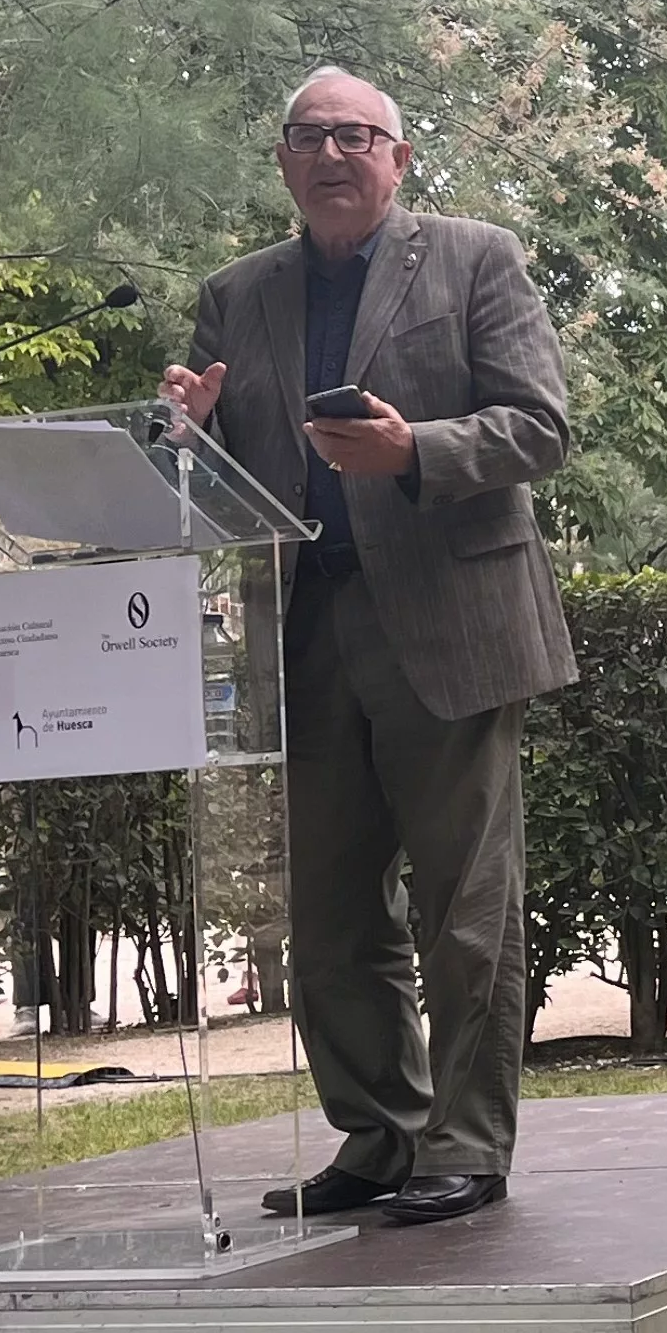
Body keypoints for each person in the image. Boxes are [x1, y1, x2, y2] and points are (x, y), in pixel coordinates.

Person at [160, 68, 576, 1225]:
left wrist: (414, 451)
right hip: (305, 632)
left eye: (356, 135)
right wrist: (185, 440)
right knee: (331, 921)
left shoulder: (476, 258)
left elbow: (541, 425)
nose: (332, 153)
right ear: (283, 162)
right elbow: (219, 492)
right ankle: (381, 1135)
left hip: (452, 620)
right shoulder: (235, 295)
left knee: (466, 908)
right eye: (310, 136)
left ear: (399, 158)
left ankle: (466, 1143)